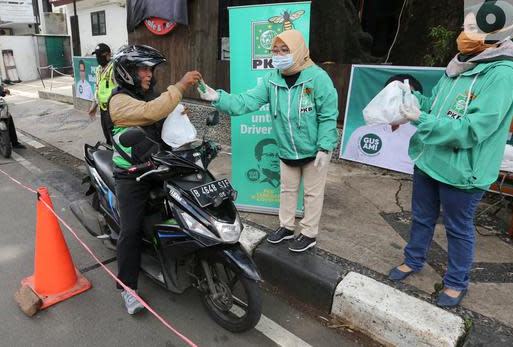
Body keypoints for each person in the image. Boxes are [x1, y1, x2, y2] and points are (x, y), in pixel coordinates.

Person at [388, 2, 513, 308]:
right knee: (421, 218)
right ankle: (414, 260)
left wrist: (419, 119)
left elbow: (473, 129)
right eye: (466, 26)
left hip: (463, 170)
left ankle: (456, 281)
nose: (465, 34)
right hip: (429, 158)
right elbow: (434, 105)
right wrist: (409, 98)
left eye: (475, 28)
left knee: (458, 229)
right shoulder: (460, 64)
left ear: (497, 34)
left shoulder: (503, 73)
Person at [199, 29, 339, 253]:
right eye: (275, 50)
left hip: (315, 150)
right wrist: (218, 97)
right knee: (287, 190)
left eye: (285, 50)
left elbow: (328, 115)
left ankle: (309, 233)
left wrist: (325, 146)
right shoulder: (271, 80)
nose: (279, 54)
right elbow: (246, 101)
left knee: (313, 193)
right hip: (286, 148)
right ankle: (286, 227)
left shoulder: (318, 78)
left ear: (299, 51)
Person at [107, 44, 201, 315]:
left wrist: (179, 118)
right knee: (131, 229)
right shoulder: (119, 101)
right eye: (144, 69)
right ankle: (127, 288)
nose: (149, 74)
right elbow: (151, 112)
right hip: (131, 175)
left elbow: (161, 114)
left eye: (151, 70)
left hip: (158, 164)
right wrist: (180, 85)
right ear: (128, 72)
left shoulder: (148, 94)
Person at [344, 74, 422, 174]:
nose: (397, 99)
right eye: (393, 94)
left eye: (405, 94)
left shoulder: (421, 137)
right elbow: (347, 167)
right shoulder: (361, 132)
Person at [90, 43, 116, 145]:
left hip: (113, 110)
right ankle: (109, 155)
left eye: (100, 55)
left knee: (114, 137)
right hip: (103, 110)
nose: (98, 58)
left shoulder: (114, 69)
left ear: (108, 55)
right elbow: (97, 89)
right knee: (107, 135)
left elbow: (121, 89)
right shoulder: (98, 70)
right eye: (96, 55)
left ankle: (116, 158)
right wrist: (94, 105)